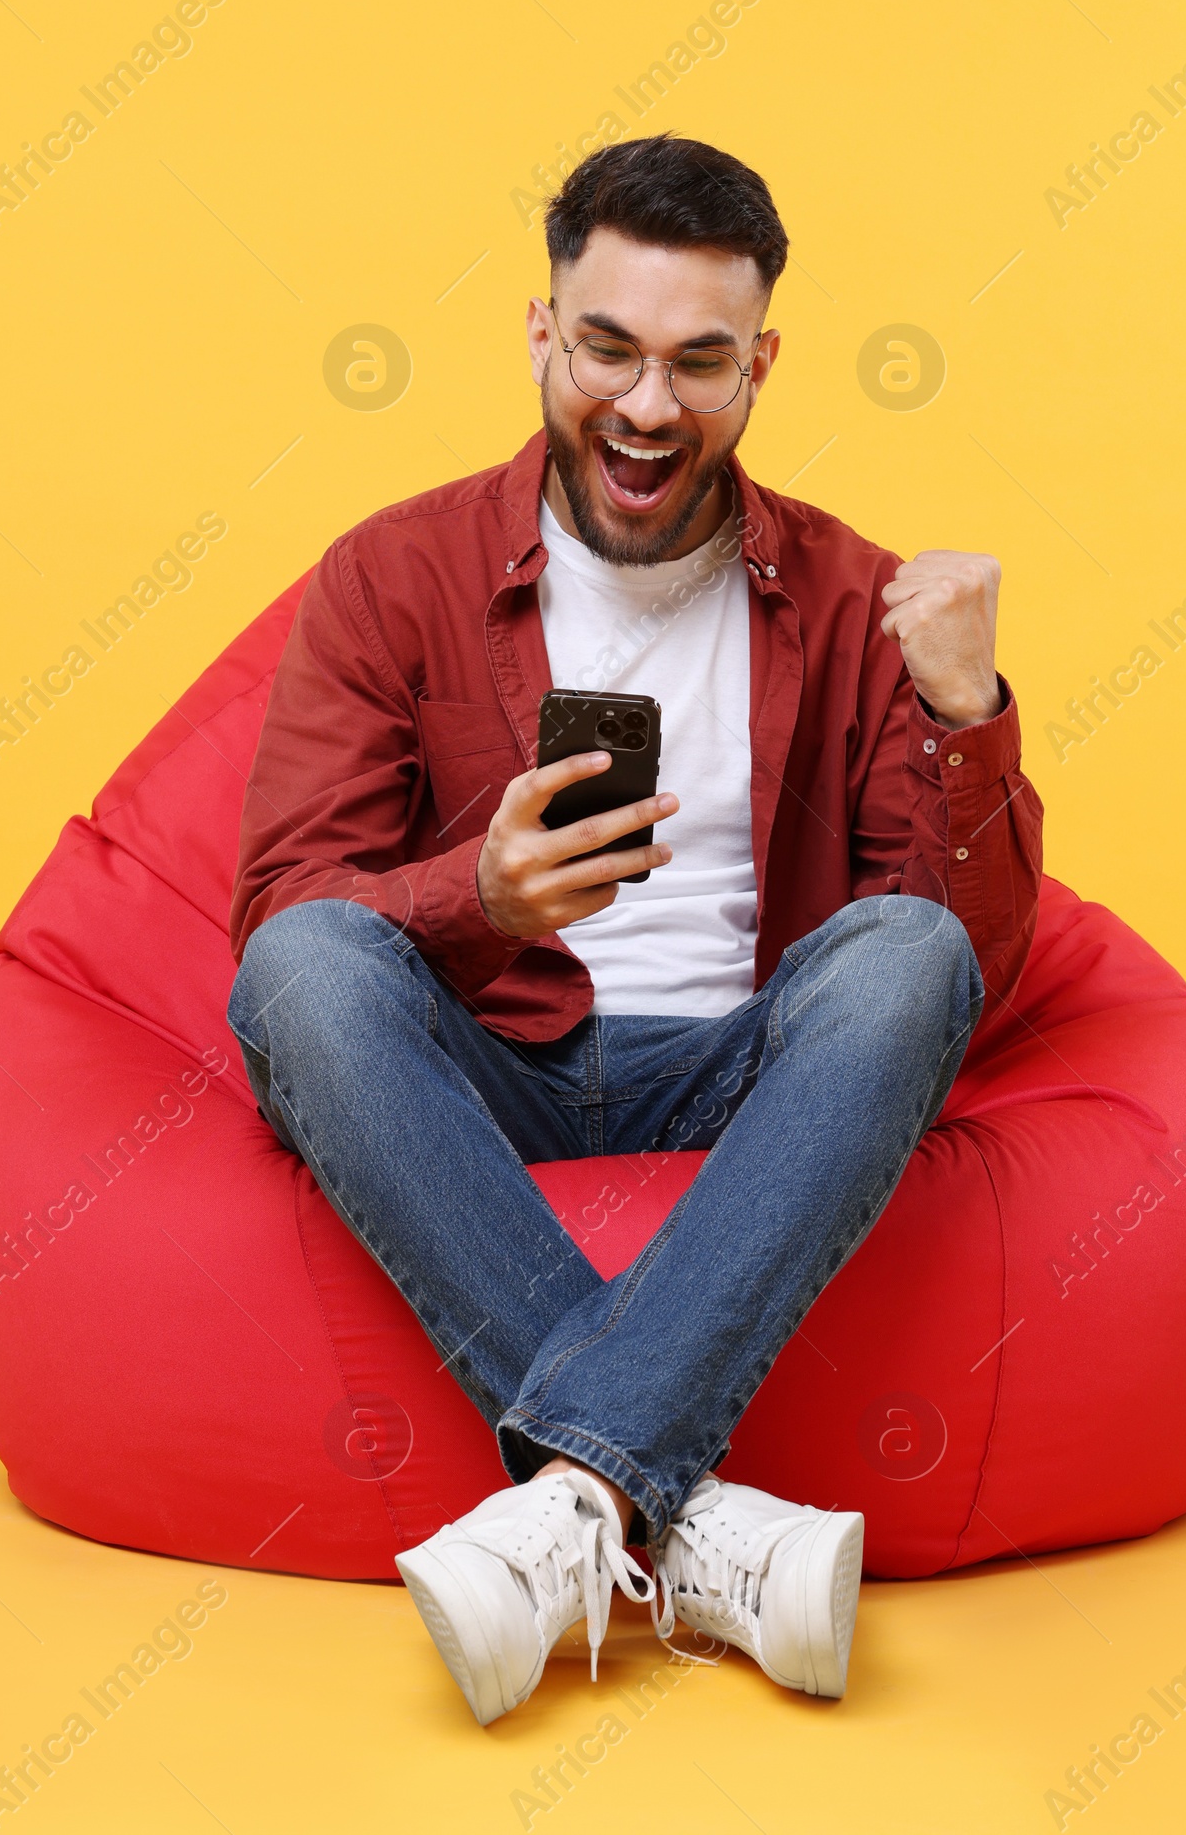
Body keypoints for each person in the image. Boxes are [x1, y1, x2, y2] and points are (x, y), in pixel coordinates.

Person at [227, 133, 1043, 1723]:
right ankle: (700, 1523)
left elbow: (968, 976)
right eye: (606, 349)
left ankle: (575, 1512)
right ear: (543, 335)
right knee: (305, 969)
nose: (647, 407)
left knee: (903, 959)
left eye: (698, 362)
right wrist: (483, 900)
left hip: (739, 1071)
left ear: (762, 367)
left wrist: (967, 711)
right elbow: (278, 912)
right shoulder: (395, 577)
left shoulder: (856, 596)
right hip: (491, 1061)